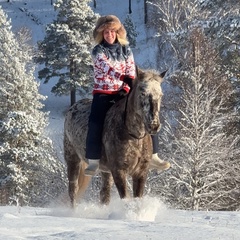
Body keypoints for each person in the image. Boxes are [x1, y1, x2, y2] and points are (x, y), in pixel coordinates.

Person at [85, 15, 170, 176]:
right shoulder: (98, 51)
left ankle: (154, 155)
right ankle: (94, 160)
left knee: (147, 112)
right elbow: (106, 68)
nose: (109, 34)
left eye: (112, 31)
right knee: (95, 122)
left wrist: (128, 84)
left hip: (123, 92)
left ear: (118, 33)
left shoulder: (126, 50)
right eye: (106, 32)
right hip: (103, 93)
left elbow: (131, 68)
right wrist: (123, 77)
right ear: (101, 34)